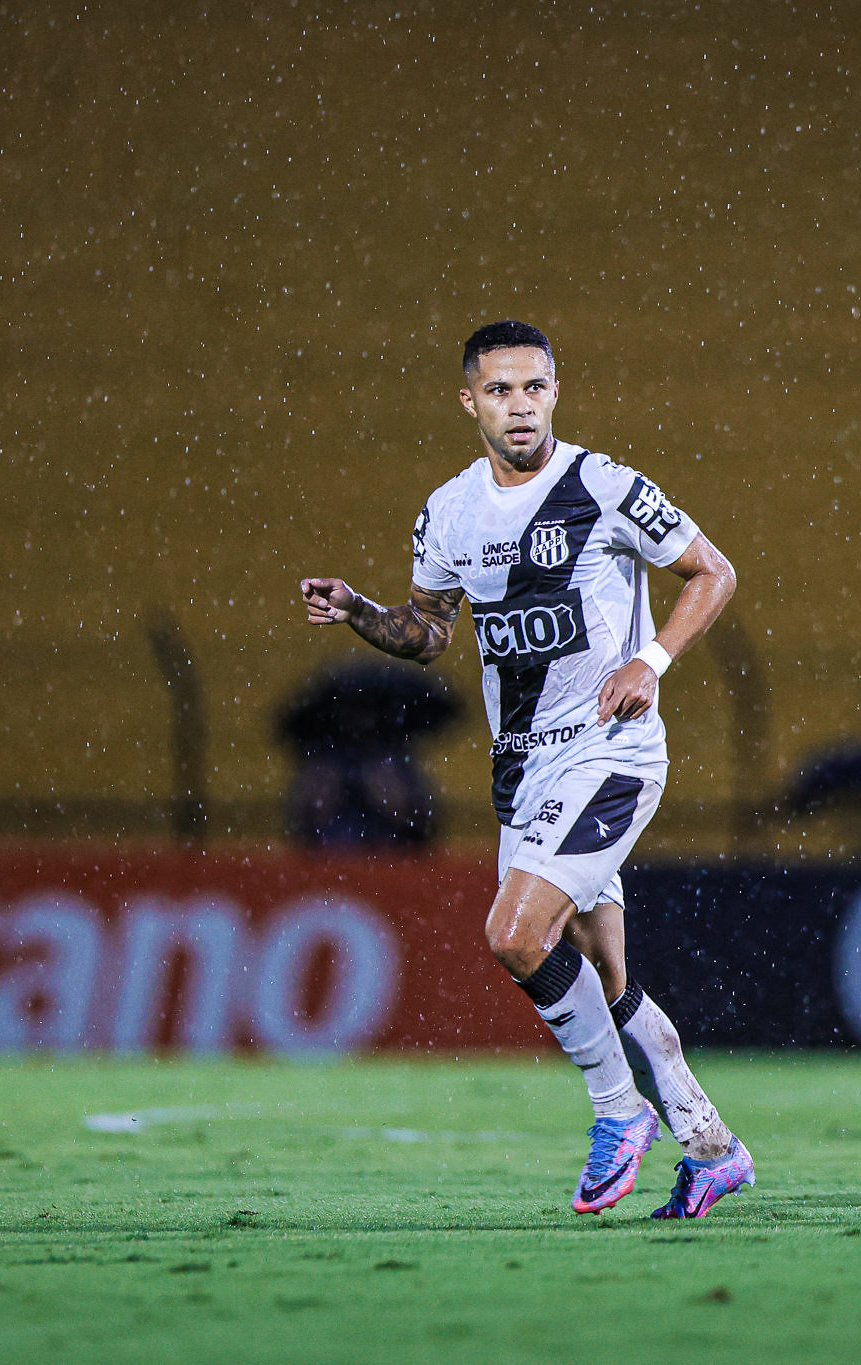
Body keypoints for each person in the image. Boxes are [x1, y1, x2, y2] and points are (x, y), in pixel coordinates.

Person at [298, 320, 753, 1219]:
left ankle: (621, 1113)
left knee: (513, 933)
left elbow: (713, 571)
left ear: (556, 392)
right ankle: (712, 1145)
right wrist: (357, 609)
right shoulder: (449, 511)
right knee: (606, 976)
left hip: (610, 752)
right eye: (501, 390)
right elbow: (430, 633)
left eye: (535, 388)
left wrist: (649, 662)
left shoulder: (602, 485)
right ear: (469, 400)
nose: (520, 406)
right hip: (523, 772)